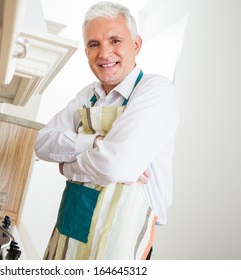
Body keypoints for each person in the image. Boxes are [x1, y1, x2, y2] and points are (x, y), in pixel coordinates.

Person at [35, 1, 179, 260]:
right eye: (94, 44)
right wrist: (94, 143)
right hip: (69, 229)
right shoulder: (87, 95)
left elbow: (116, 166)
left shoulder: (154, 90)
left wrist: (68, 167)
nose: (104, 53)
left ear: (135, 45)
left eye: (115, 41)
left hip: (121, 237)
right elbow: (43, 143)